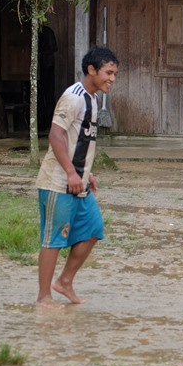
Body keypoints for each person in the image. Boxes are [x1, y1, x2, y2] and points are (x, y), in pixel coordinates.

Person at [35, 46, 119, 309]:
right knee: (53, 240)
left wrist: (85, 173)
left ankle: (65, 281)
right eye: (108, 72)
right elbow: (56, 135)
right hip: (57, 182)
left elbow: (78, 141)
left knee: (94, 229)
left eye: (115, 74)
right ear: (91, 70)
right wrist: (71, 172)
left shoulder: (92, 100)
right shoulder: (73, 97)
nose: (112, 79)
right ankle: (43, 297)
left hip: (78, 182)